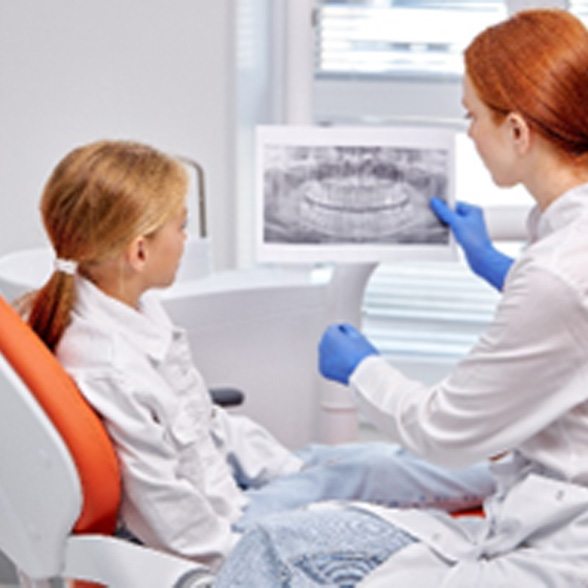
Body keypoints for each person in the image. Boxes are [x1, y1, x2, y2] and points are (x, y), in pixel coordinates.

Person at [214, 8, 588, 587]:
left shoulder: (556, 271)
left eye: (473, 117)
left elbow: (443, 430)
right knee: (328, 482)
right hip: (543, 496)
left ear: (517, 131)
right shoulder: (563, 245)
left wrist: (360, 368)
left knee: (277, 549)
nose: (468, 134)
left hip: (560, 544)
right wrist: (496, 267)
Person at [24, 140, 494, 572]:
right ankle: (502, 529)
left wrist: (295, 470)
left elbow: (203, 423)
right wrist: (266, 554)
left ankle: (508, 484)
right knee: (386, 524)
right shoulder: (111, 367)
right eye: (181, 226)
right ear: (139, 252)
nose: (186, 239)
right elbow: (178, 526)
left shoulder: (135, 309)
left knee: (372, 463)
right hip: (233, 535)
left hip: (239, 496)